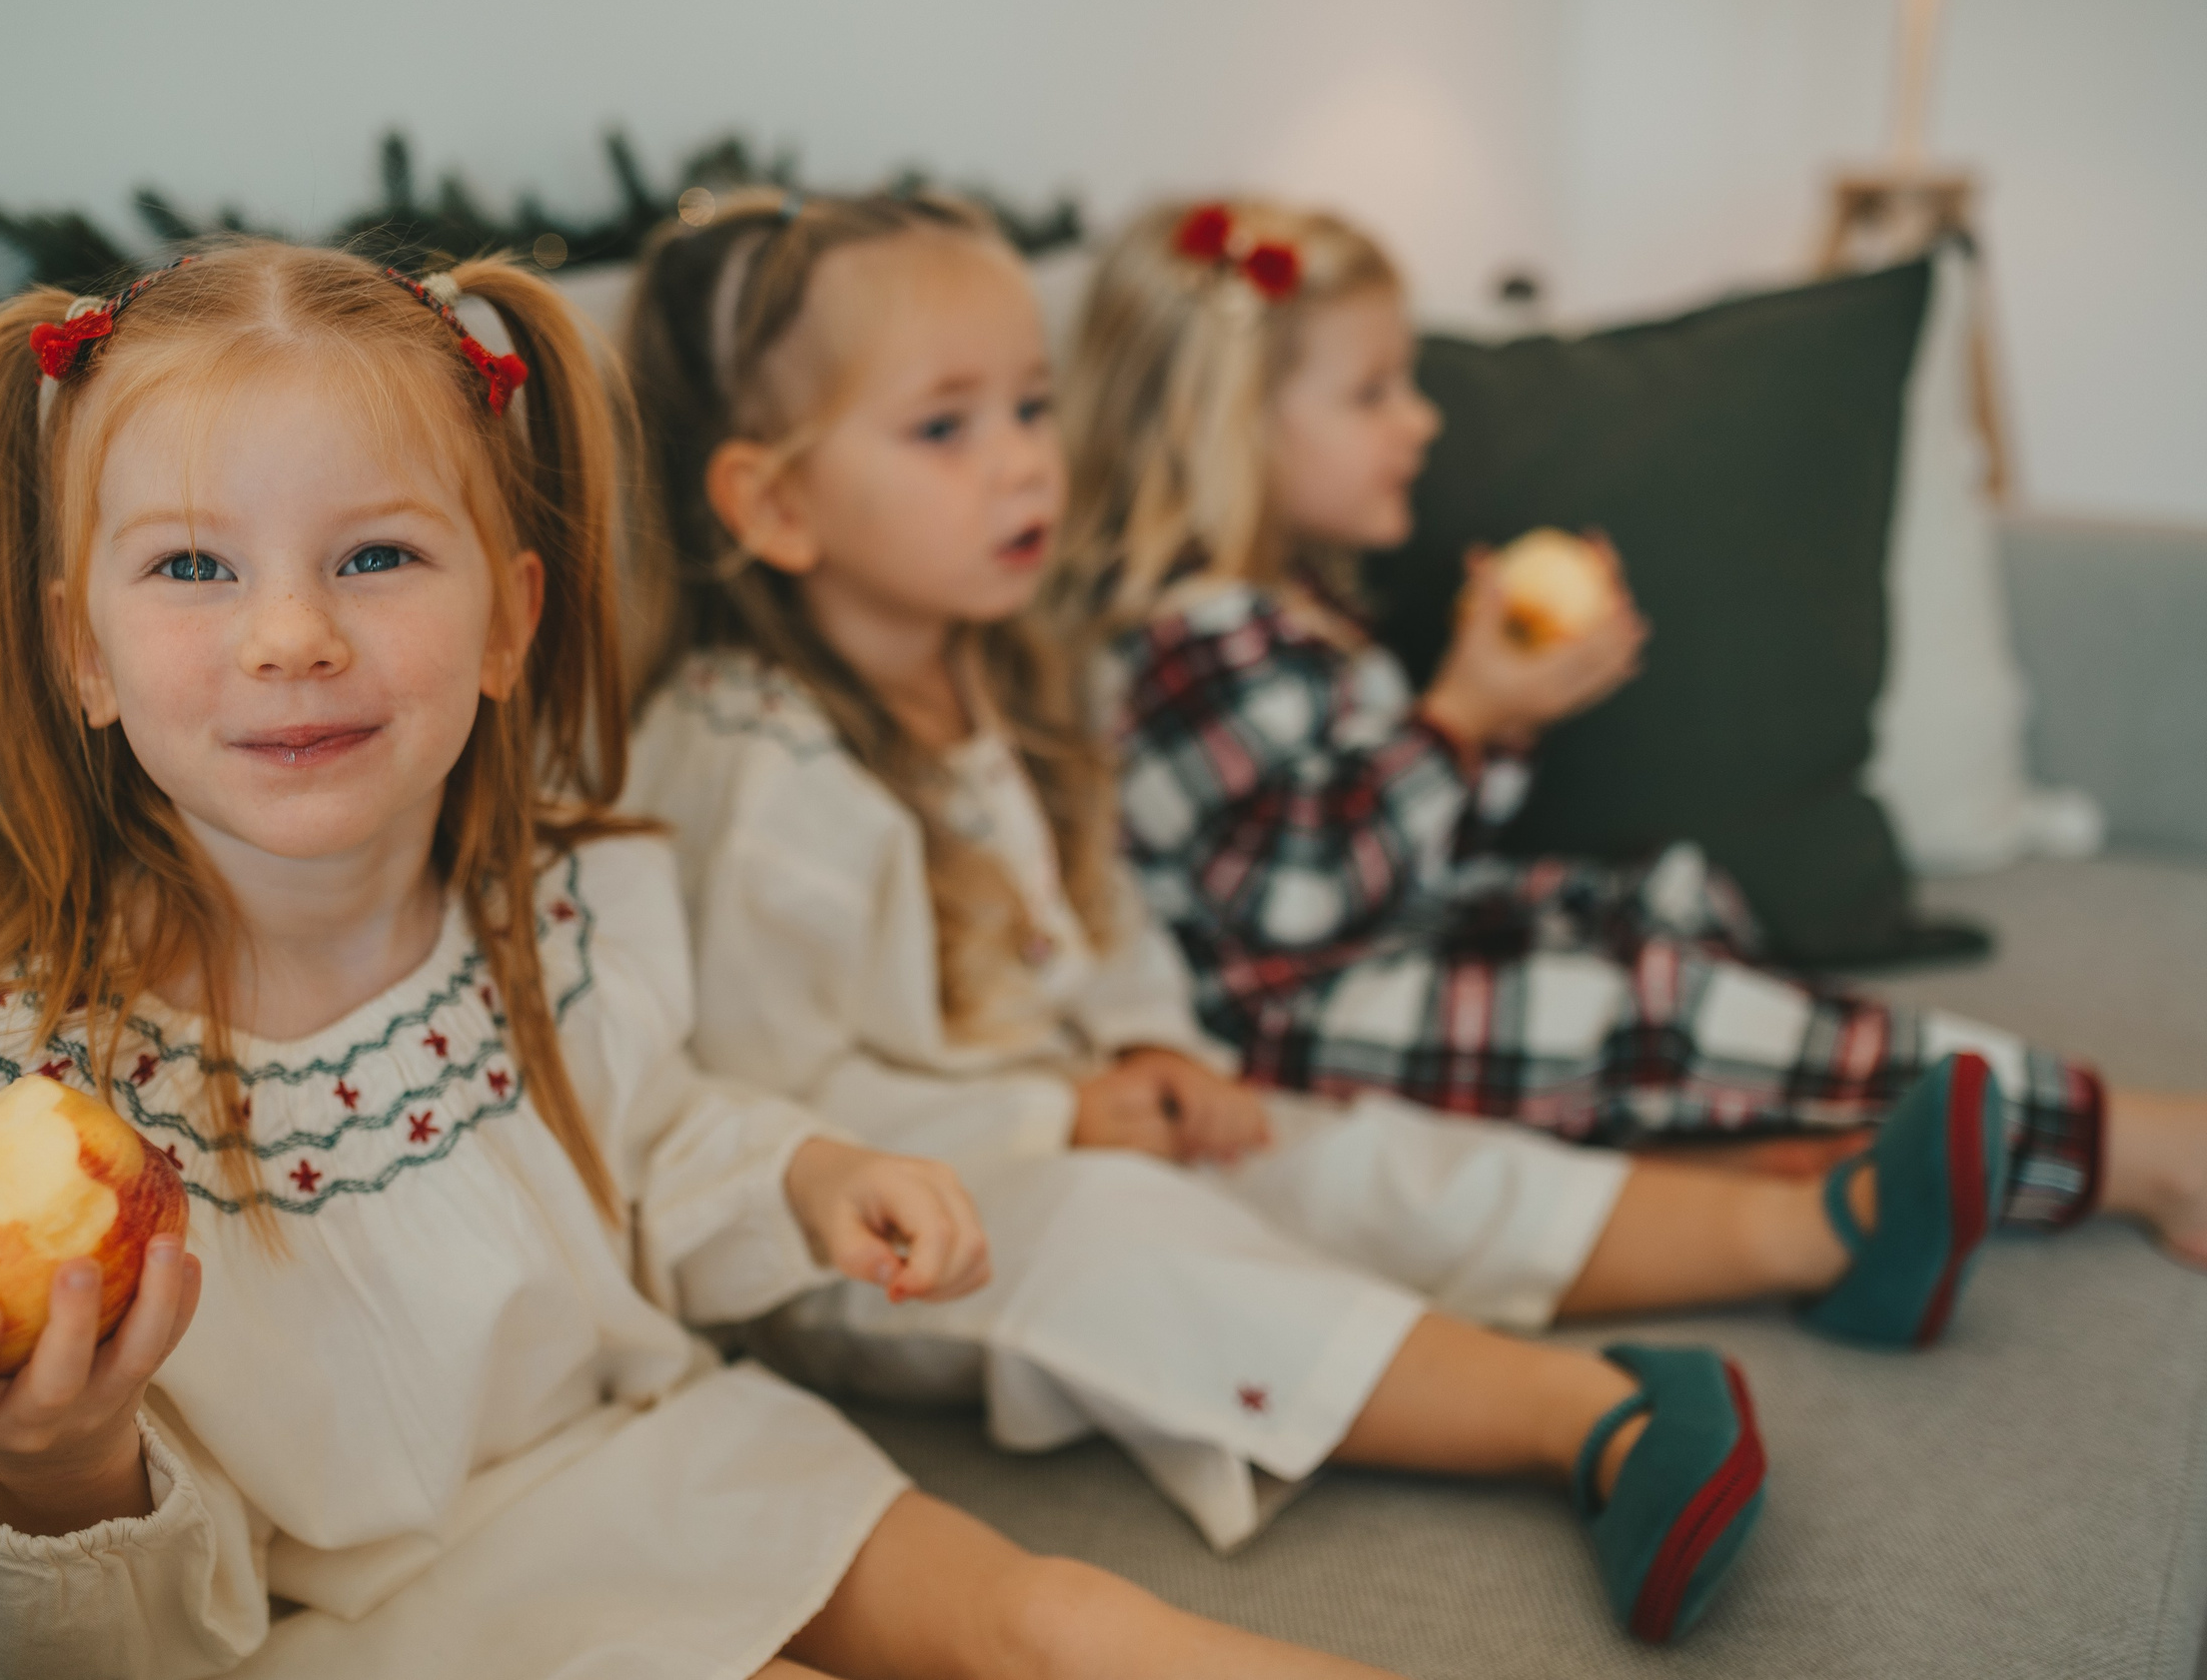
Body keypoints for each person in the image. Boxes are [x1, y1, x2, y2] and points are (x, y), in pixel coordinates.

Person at [0, 239, 1409, 1680]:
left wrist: (808, 1176)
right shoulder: (45, 1099)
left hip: (653, 1451)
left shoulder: (558, 904)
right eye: (193, 566)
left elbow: (654, 1137)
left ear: (511, 619)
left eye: (376, 554)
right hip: (377, 1624)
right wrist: (59, 1463)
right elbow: (53, 1643)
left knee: (1058, 1619)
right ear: (79, 653)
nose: (291, 631)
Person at [610, 189, 2045, 1646]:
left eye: (1032, 408)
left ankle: (1822, 1232)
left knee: (1320, 1140)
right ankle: (1586, 1414)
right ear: (774, 502)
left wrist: (1159, 1046)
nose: (1024, 465)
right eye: (945, 428)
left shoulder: (1007, 667)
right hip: (865, 1231)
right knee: (1127, 1233)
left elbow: (1102, 918)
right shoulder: (753, 771)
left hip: (1059, 1109)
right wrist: (1061, 1127)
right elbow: (760, 1104)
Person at [1056, 196, 2207, 1271]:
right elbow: (1299, 900)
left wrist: (1501, 715)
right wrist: (1461, 715)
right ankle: (2123, 1148)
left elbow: (1398, 840)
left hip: (1377, 954)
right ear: (1228, 428)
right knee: (1656, 1006)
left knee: (1661, 896)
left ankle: (1755, 1125)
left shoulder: (1284, 606)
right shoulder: (1192, 638)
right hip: (1286, 1022)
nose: (1420, 419)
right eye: (1372, 394)